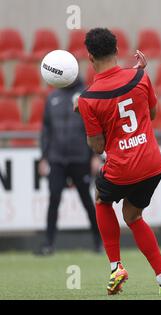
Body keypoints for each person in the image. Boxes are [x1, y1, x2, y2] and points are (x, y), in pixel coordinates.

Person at [76, 28, 161, 295]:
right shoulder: (140, 76)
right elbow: (152, 113)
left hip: (123, 167)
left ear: (90, 57)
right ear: (117, 50)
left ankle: (115, 266)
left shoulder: (88, 98)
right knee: (133, 215)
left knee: (101, 198)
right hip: (152, 163)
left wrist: (84, 113)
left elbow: (97, 146)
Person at [36, 76, 102, 256]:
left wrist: (96, 155)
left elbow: (95, 125)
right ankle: (48, 244)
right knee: (54, 199)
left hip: (80, 158)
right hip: (57, 159)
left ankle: (99, 242)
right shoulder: (52, 96)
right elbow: (46, 129)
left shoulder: (86, 95)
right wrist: (43, 157)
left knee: (88, 202)